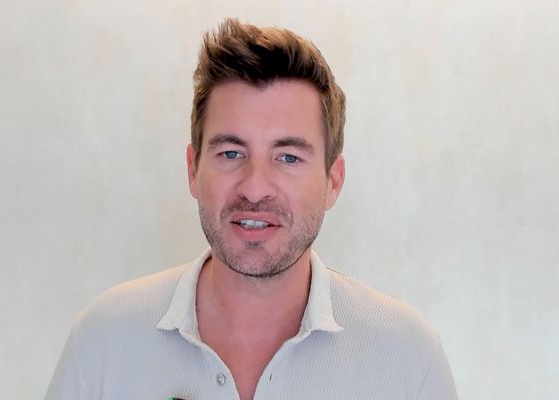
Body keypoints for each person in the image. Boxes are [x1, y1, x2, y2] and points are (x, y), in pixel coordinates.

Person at [45, 18, 458, 400]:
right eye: (230, 153)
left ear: (333, 181)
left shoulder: (408, 360)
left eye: (288, 157)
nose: (255, 188)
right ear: (193, 170)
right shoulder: (102, 342)